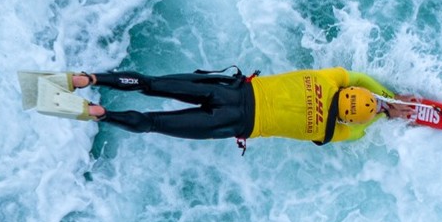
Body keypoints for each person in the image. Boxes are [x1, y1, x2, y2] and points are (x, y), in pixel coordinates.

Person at [73, 67, 397, 145]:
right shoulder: (328, 132)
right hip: (232, 123)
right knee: (152, 123)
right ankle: (100, 113)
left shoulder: (330, 77)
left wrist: (385, 96)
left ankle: (88, 78)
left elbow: (360, 78)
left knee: (150, 83)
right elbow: (358, 130)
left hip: (230, 90)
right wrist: (385, 112)